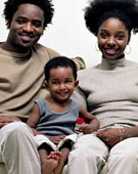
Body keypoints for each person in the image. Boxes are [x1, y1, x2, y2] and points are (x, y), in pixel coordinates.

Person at [0, 0, 85, 174]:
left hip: (28, 131)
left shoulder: (45, 55)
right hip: (5, 130)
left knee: (21, 131)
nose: (29, 29)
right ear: (9, 21)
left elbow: (77, 63)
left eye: (36, 24)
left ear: (43, 28)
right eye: (21, 21)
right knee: (18, 131)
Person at [64, 0, 138, 174]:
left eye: (119, 36)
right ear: (96, 35)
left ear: (128, 39)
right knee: (82, 154)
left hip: (133, 135)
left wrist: (124, 133)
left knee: (127, 156)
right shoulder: (81, 77)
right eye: (104, 35)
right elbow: (76, 116)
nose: (111, 42)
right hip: (96, 134)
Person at [27, 56, 99, 174]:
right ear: (46, 85)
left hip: (65, 140)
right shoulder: (40, 105)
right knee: (40, 141)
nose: (62, 87)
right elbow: (29, 127)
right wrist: (48, 138)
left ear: (75, 84)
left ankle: (60, 162)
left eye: (67, 82)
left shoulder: (76, 106)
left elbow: (94, 119)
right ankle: (45, 163)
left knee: (72, 138)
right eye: (55, 83)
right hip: (45, 138)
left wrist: (92, 126)